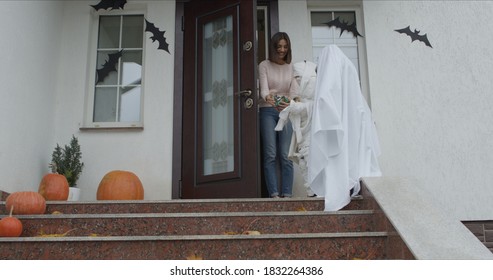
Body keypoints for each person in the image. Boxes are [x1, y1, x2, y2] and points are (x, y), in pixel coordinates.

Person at [308, 45, 382, 211]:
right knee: (349, 155)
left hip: (338, 122)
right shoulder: (348, 66)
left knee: (337, 156)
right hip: (352, 120)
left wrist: (324, 117)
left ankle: (340, 190)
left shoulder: (331, 55)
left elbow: (327, 93)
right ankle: (348, 185)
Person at [258, 32, 298, 198]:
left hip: (286, 112)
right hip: (267, 111)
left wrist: (288, 101)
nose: (282, 49)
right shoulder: (264, 65)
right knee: (270, 154)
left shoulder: (291, 67)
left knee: (286, 155)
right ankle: (274, 194)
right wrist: (270, 98)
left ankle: (287, 194)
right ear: (273, 47)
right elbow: (264, 91)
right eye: (279, 46)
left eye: (285, 46)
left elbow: (294, 92)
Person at [274, 60, 317, 197]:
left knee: (311, 156)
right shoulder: (299, 88)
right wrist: (291, 105)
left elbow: (316, 105)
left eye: (299, 77)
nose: (297, 81)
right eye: (296, 77)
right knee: (303, 158)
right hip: (302, 127)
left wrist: (297, 107)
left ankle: (316, 189)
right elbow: (298, 101)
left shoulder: (316, 86)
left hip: (313, 126)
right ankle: (311, 190)